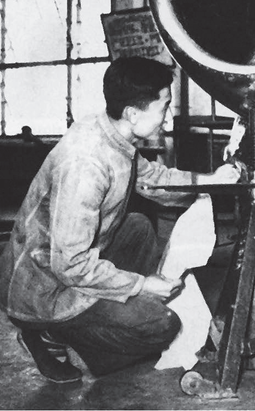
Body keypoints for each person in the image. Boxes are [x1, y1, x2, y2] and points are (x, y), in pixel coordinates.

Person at [0, 56, 240, 383]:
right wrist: (141, 285)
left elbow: (154, 180)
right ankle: (49, 332)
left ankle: (92, 323)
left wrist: (210, 181)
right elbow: (70, 265)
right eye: (164, 107)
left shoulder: (110, 132)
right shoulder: (85, 165)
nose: (167, 117)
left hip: (63, 264)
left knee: (137, 226)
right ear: (132, 114)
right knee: (163, 324)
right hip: (46, 289)